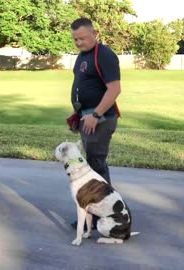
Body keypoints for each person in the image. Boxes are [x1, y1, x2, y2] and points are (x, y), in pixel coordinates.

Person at [69, 17, 122, 230]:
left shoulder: (105, 55)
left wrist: (95, 114)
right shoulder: (83, 56)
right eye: (75, 39)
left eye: (82, 38)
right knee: (93, 166)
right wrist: (78, 113)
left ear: (95, 33)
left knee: (96, 167)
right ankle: (96, 214)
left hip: (100, 120)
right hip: (87, 118)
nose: (79, 42)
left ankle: (103, 215)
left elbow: (114, 89)